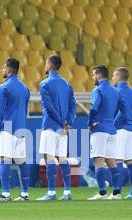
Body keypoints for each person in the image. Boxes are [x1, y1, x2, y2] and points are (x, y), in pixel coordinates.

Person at [37, 55, 76, 201]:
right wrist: (68, 122)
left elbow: (49, 106)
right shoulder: (67, 84)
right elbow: (73, 105)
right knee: (63, 158)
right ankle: (67, 192)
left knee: (50, 158)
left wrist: (60, 121)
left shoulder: (44, 84)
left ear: (49, 65)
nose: (45, 65)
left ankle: (52, 192)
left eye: (46, 63)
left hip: (51, 125)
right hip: (63, 128)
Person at [87, 65, 128, 201]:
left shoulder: (97, 90)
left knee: (98, 161)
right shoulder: (115, 91)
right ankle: (116, 193)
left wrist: (90, 123)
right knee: (112, 162)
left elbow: (93, 108)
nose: (93, 77)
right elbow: (125, 110)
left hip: (99, 129)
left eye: (94, 75)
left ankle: (102, 193)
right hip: (112, 130)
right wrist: (114, 121)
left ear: (98, 75)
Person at [0, 58, 31, 202]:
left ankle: (6, 194)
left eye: (3, 68)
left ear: (9, 70)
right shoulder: (25, 88)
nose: (2, 70)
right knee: (22, 161)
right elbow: (25, 109)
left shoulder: (4, 88)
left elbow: (0, 112)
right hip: (21, 128)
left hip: (7, 128)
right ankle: (25, 194)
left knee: (5, 160)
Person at [112, 67, 132, 199]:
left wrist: (113, 124)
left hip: (119, 129)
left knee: (117, 160)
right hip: (129, 129)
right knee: (130, 161)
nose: (112, 78)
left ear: (118, 77)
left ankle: (117, 193)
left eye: (113, 76)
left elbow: (119, 111)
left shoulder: (115, 91)